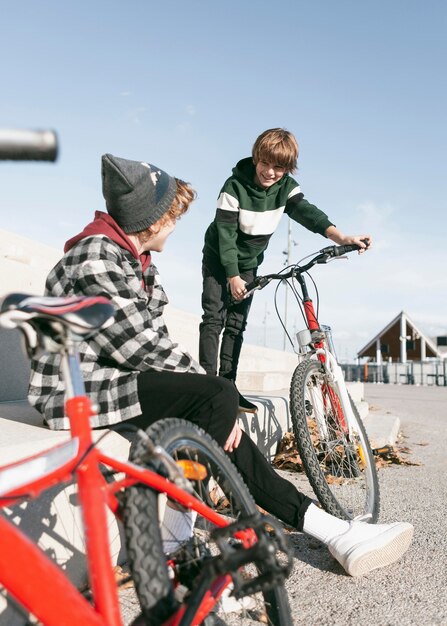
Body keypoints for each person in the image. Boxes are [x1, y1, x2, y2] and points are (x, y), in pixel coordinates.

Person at [29, 153, 412, 577]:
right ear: (152, 220)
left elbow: (153, 343)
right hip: (76, 394)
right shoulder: (96, 257)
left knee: (223, 414)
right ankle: (178, 537)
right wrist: (217, 403)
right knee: (219, 395)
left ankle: (333, 532)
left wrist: (216, 406)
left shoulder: (132, 260)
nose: (177, 224)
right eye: (172, 215)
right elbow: (139, 346)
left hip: (116, 381)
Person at [199, 128, 372, 412]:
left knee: (236, 326)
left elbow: (308, 213)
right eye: (265, 163)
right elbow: (226, 237)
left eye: (278, 167)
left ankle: (228, 389)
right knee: (214, 320)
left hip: (249, 265)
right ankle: (207, 390)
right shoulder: (233, 188)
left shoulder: (285, 188)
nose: (270, 172)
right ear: (256, 158)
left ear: (287, 168)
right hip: (220, 259)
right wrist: (231, 275)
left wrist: (341, 237)